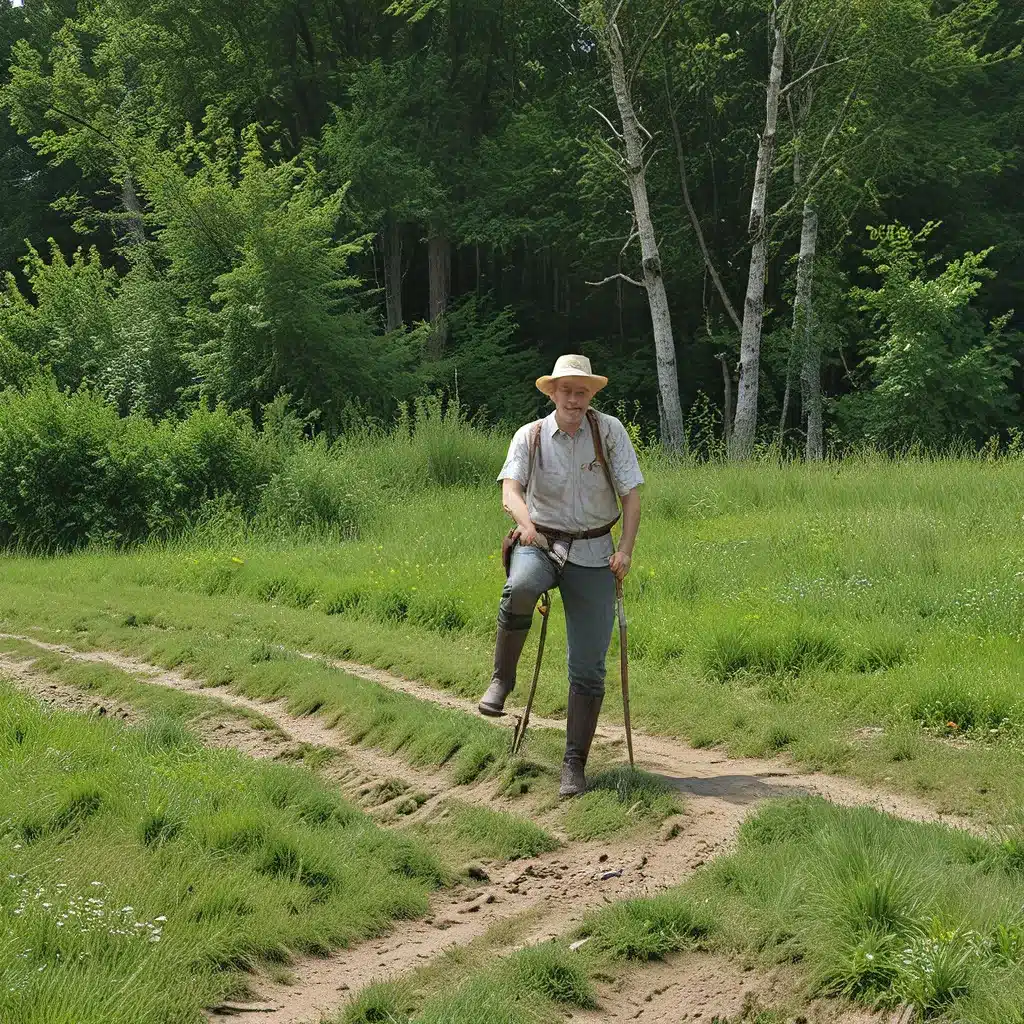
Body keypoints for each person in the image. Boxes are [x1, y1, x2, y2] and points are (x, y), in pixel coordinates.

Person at [478, 354, 643, 797]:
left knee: (588, 665)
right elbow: (510, 489)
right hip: (542, 542)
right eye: (566, 390)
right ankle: (502, 680)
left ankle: (574, 765)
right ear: (551, 393)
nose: (574, 398)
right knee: (521, 585)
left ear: (592, 394)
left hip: (595, 551)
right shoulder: (529, 437)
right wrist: (526, 524)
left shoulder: (609, 432)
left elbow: (631, 496)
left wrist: (625, 550)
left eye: (582, 391)